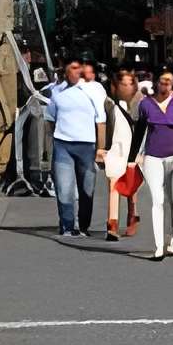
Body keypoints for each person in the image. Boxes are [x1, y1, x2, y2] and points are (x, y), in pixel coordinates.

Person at [136, 66, 173, 258]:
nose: (166, 84)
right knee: (157, 199)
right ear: (156, 83)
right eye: (163, 81)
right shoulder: (146, 104)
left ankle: (171, 240)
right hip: (153, 156)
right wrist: (134, 156)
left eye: (169, 81)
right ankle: (159, 246)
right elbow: (140, 131)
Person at [44, 60, 104, 240]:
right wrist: (51, 142)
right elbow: (50, 118)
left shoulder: (93, 89)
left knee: (86, 190)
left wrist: (101, 148)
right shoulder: (57, 91)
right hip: (63, 145)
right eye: (74, 68)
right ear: (66, 71)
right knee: (64, 189)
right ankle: (68, 226)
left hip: (87, 145)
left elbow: (101, 121)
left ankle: (83, 226)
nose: (78, 71)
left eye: (80, 68)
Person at [102, 66, 144, 243]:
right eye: (123, 84)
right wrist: (102, 148)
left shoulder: (140, 102)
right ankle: (112, 225)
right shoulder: (108, 104)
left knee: (131, 187)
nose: (127, 87)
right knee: (114, 186)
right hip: (115, 151)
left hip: (133, 151)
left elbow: (143, 128)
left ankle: (132, 215)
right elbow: (104, 127)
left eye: (130, 84)